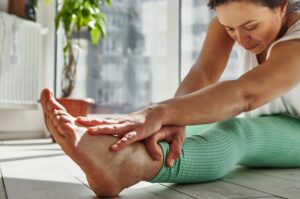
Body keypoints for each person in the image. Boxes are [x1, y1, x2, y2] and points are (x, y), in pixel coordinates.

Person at [41, 0, 300, 197]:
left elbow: (245, 95)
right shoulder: (231, 20)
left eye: (250, 27)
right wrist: (176, 118)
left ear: (281, 7)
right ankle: (111, 148)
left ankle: (130, 167)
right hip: (273, 118)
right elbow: (204, 72)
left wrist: (163, 112)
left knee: (237, 132)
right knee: (182, 115)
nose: (240, 38)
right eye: (230, 29)